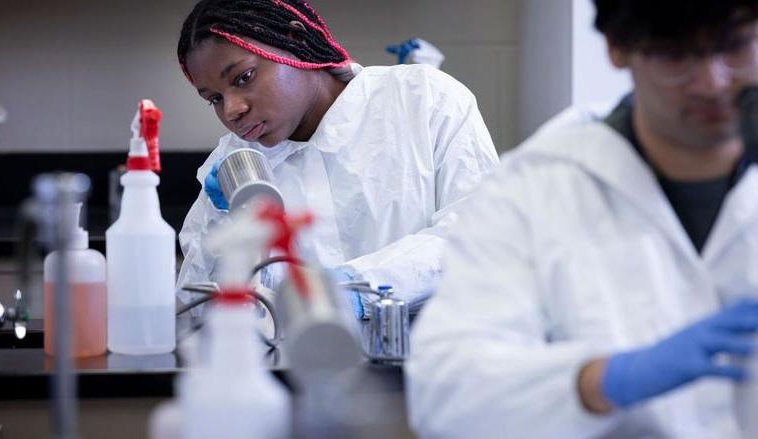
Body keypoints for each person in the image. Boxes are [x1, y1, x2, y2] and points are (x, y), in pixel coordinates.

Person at [406, 0, 758, 437]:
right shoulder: (530, 193)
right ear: (617, 48)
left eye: (736, 47)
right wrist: (598, 382)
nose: (712, 82)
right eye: (675, 55)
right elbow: (445, 397)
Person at [175, 0, 500, 319]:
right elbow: (202, 304)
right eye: (214, 99)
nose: (231, 110)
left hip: (432, 357)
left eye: (244, 77)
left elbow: (474, 236)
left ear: (295, 39)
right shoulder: (233, 162)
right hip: (297, 366)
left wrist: (355, 289)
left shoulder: (422, 98)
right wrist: (220, 222)